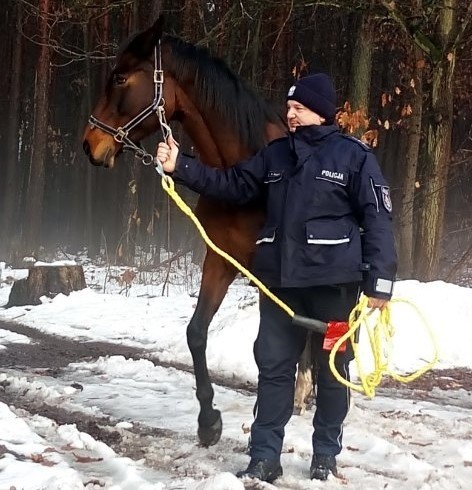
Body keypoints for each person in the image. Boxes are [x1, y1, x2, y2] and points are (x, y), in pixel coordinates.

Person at [156, 73, 397, 482]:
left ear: (320, 111)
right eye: (288, 108)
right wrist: (181, 166)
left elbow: (377, 219)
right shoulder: (274, 155)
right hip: (280, 286)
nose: (290, 115)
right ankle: (264, 456)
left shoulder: (354, 157)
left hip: (333, 287)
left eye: (298, 108)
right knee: (273, 370)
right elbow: (230, 184)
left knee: (334, 369)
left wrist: (380, 281)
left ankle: (325, 454)